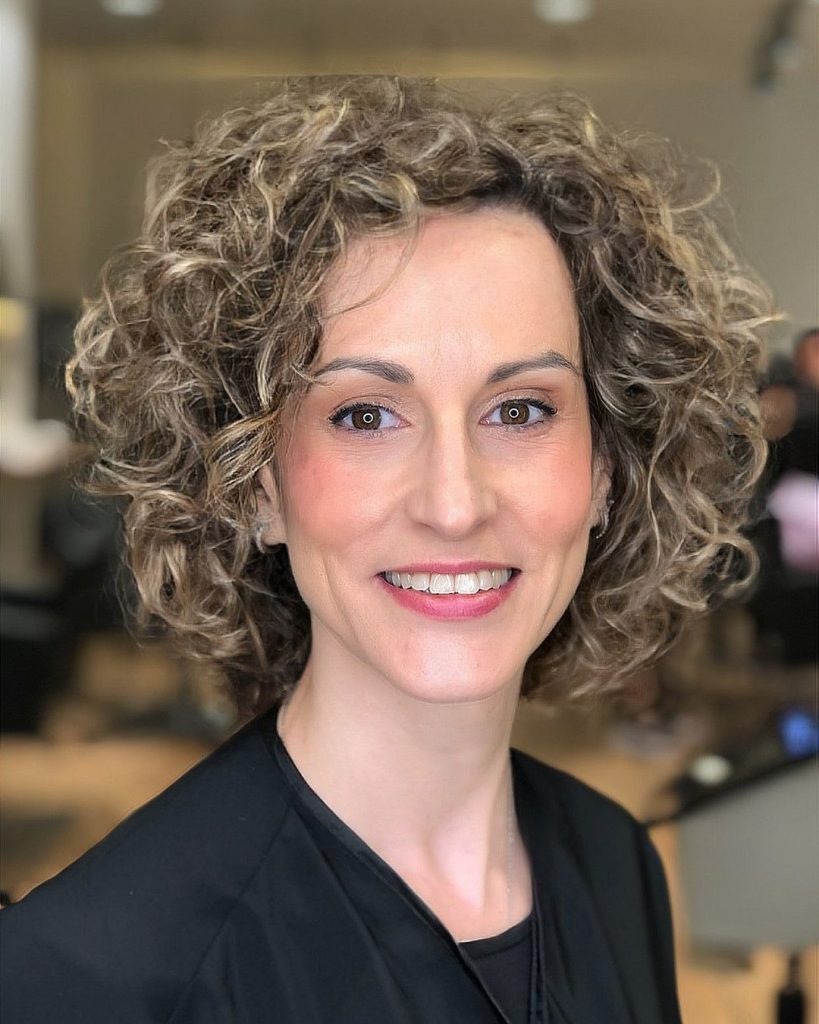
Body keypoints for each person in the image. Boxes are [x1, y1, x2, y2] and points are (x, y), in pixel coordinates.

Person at [0, 76, 773, 1024]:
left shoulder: (616, 866)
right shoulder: (89, 976)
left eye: (520, 410)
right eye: (365, 415)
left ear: (607, 470)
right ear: (255, 484)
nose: (454, 504)